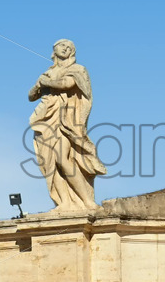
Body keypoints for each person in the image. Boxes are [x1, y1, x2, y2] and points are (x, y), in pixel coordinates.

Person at [29, 39, 107, 212]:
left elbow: (67, 84)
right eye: (62, 45)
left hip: (65, 120)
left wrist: (45, 82)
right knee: (50, 164)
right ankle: (64, 202)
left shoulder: (77, 69)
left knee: (62, 159)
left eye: (69, 47)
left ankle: (87, 201)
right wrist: (38, 86)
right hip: (45, 119)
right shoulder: (48, 72)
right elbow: (31, 96)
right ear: (54, 49)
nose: (65, 48)